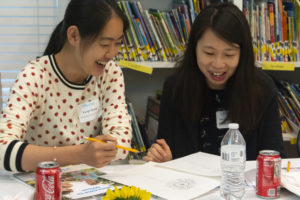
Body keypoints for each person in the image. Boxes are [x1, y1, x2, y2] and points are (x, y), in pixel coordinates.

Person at [0, 0, 132, 172]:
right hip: (43, 187)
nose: (112, 53)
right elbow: (3, 150)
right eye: (105, 44)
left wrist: (102, 150)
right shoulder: (35, 76)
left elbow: (121, 143)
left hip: (88, 184)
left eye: (118, 43)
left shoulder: (110, 73)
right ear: (74, 36)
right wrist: (80, 154)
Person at [144, 3, 285, 163]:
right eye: (209, 53)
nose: (218, 64)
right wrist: (163, 160)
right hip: (192, 184)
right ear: (194, 48)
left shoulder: (262, 88)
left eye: (229, 54)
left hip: (243, 185)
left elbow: (274, 155)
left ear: (242, 53)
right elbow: (167, 150)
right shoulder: (175, 88)